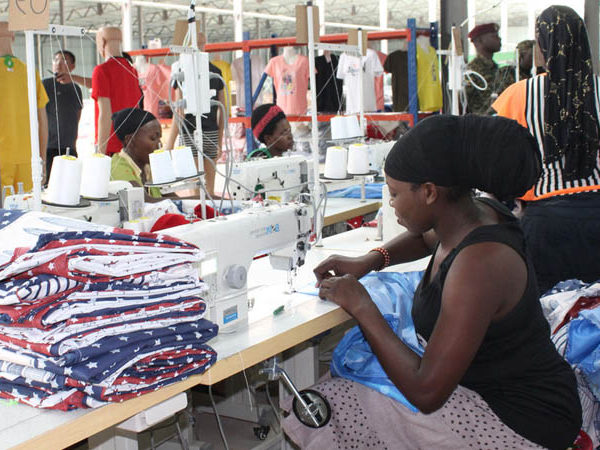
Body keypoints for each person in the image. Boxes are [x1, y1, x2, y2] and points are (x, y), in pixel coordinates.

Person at [283, 114, 581, 450]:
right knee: (340, 390)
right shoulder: (472, 214)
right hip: (489, 386)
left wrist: (363, 306)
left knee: (334, 406)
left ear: (428, 192)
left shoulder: (479, 264)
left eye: (394, 194)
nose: (390, 203)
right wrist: (371, 259)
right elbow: (425, 239)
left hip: (523, 419)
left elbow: (426, 392)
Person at [493, 5, 600, 294]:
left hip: (546, 223)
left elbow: (499, 160)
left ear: (543, 44)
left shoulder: (518, 95)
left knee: (547, 309)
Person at [165, 31, 225, 197]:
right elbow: (223, 111)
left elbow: (179, 111)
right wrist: (219, 140)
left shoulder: (182, 73)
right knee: (209, 190)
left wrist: (169, 143)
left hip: (190, 134)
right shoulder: (215, 72)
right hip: (211, 133)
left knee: (195, 191)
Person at [0, 22, 48, 192]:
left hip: (2, 159)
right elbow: (43, 121)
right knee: (27, 206)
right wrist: (42, 160)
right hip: (29, 160)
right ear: (13, 36)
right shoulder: (31, 73)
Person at [92, 26, 142, 156]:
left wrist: (100, 154)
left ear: (102, 42)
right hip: (131, 147)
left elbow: (105, 114)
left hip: (111, 149)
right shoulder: (132, 72)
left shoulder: (101, 70)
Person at [42, 50, 83, 176]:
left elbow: (77, 115)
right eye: (56, 60)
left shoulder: (76, 88)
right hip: (49, 147)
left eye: (64, 60)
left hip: (69, 147)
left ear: (72, 66)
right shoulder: (45, 84)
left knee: (70, 181)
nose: (58, 64)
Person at [110, 108, 162, 200]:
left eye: (159, 138)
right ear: (130, 140)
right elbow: (146, 201)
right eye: (153, 138)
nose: (160, 144)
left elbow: (169, 195)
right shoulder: (118, 167)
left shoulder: (148, 167)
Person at [465, 23, 514, 115]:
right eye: (494, 36)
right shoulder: (472, 70)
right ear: (479, 41)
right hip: (481, 121)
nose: (499, 39)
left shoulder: (494, 67)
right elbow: (464, 104)